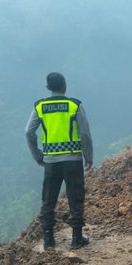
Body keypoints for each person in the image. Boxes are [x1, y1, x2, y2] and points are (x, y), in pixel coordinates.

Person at [25, 72, 94, 250]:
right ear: (64, 85)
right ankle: (76, 238)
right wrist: (88, 156)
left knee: (48, 199)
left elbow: (28, 132)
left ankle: (48, 239)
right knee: (75, 198)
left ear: (48, 88)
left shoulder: (40, 107)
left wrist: (38, 155)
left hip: (51, 162)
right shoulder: (73, 105)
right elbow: (84, 133)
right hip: (72, 160)